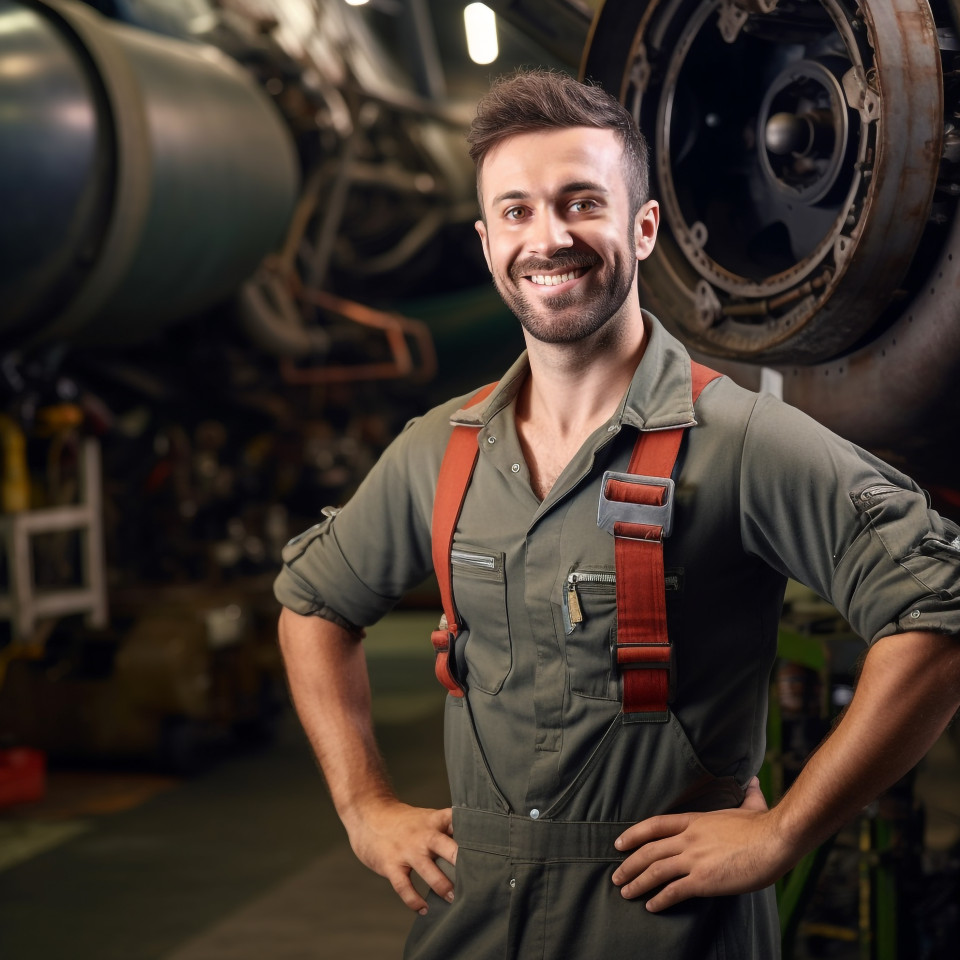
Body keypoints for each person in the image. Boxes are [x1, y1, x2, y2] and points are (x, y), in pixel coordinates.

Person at [274, 69, 960, 959]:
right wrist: (365, 806)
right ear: (488, 243)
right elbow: (312, 606)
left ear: (642, 227)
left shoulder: (743, 442)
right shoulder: (436, 451)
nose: (548, 237)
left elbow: (936, 608)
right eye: (516, 211)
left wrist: (786, 830)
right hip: (469, 919)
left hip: (665, 922)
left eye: (580, 202)